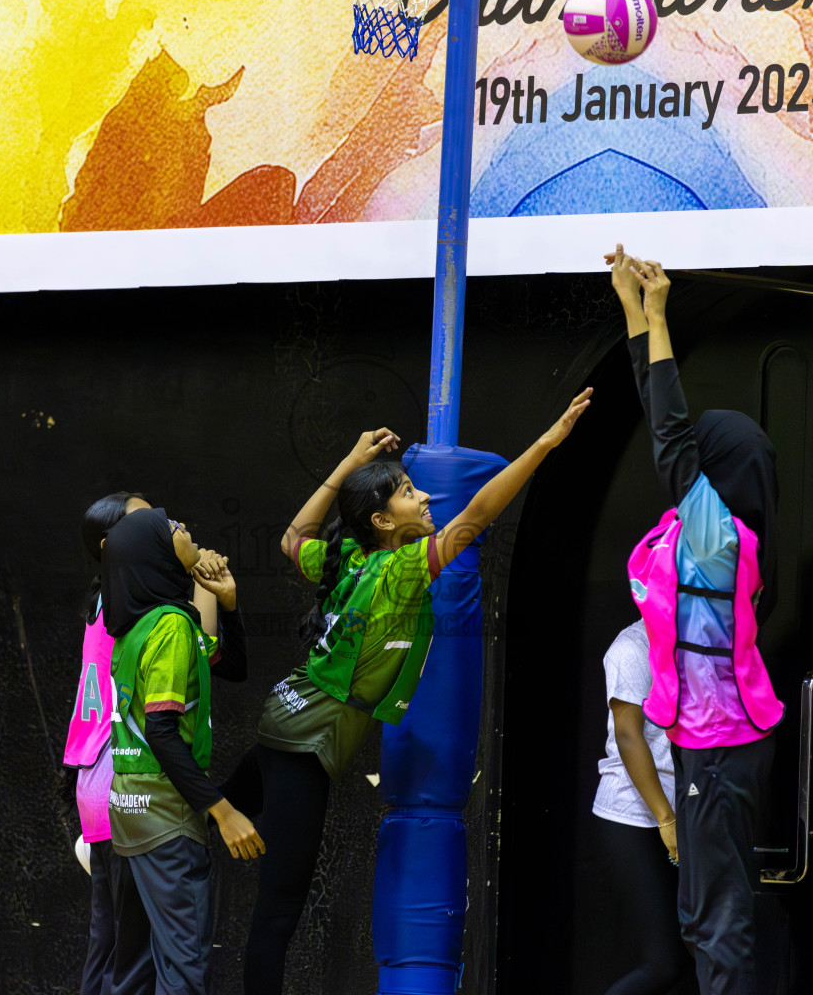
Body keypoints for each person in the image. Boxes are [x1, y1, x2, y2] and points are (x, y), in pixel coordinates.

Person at [223, 390, 593, 995]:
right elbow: (477, 515)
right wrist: (548, 443)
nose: (425, 495)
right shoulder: (397, 570)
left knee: (210, 809)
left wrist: (350, 459)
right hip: (305, 744)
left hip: (285, 719)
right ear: (383, 522)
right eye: (408, 491)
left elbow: (293, 537)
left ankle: (128, 840)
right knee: (279, 908)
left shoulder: (346, 556)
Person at [607, 246, 784, 995]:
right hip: (713, 744)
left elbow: (672, 436)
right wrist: (630, 313)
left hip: (717, 749)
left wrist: (658, 314)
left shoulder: (715, 538)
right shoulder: (708, 528)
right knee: (705, 915)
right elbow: (665, 423)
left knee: (717, 921)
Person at [62, 492, 239, 995]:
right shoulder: (138, 617)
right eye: (147, 526)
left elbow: (208, 649)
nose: (169, 527)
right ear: (115, 546)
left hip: (109, 782)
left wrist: (204, 586)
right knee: (125, 952)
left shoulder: (118, 606)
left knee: (120, 950)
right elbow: (201, 652)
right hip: (122, 778)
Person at [99, 501, 259, 994]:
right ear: (156, 552)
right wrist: (222, 810)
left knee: (132, 967)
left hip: (127, 807)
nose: (183, 527)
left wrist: (226, 604)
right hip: (166, 816)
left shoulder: (136, 627)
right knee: (184, 968)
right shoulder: (168, 626)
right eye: (171, 527)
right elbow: (164, 733)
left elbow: (231, 666)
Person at [593, 619, 695, 995]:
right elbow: (627, 734)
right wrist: (666, 820)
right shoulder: (632, 647)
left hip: (685, 811)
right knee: (664, 961)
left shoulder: (699, 637)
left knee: (694, 955)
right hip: (634, 816)